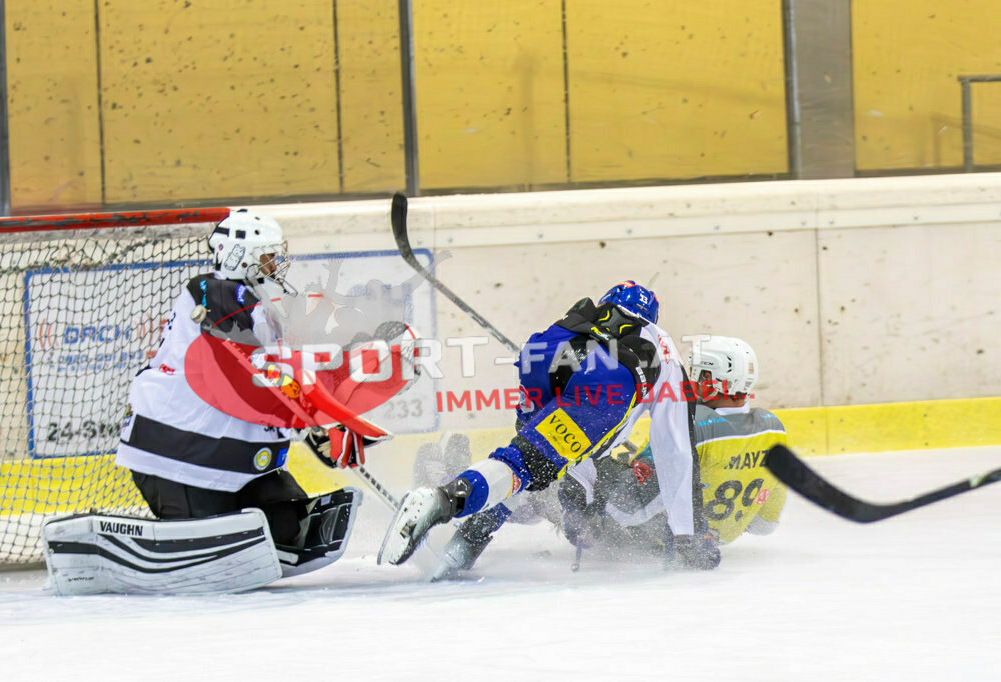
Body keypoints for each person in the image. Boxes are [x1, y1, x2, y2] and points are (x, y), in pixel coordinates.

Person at [378, 281, 719, 571]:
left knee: (525, 459)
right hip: (609, 377)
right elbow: (676, 448)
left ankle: (465, 539)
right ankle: (445, 498)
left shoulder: (584, 316)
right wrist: (688, 533)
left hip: (544, 350)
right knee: (530, 463)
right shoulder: (662, 346)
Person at [115, 209, 367, 580]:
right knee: (213, 548)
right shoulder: (214, 292)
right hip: (181, 457)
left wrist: (323, 424)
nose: (277, 264)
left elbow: (282, 380)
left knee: (287, 533)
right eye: (268, 256)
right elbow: (249, 374)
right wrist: (313, 419)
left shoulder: (263, 310)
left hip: (231, 460)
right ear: (241, 257)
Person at [554, 335, 788, 559]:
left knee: (560, 474)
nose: (689, 381)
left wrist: (604, 471)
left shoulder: (690, 425)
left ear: (709, 379)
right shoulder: (772, 428)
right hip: (714, 539)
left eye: (695, 374)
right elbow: (764, 525)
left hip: (658, 540)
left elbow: (625, 509)